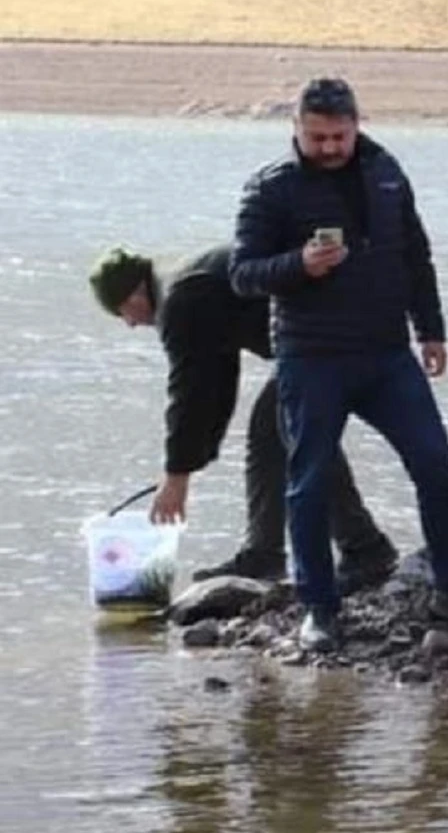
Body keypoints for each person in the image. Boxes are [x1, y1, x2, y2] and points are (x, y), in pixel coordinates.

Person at [229, 77, 448, 651]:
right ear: (296, 129)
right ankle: (319, 609)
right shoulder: (270, 188)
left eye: (339, 137)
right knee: (309, 482)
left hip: (386, 353)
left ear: (356, 126)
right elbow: (243, 275)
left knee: (436, 464)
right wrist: (300, 264)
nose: (329, 148)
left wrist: (431, 329)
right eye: (317, 137)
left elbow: (415, 254)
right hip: (311, 357)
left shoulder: (386, 171)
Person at [88, 245, 397, 590]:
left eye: (122, 312)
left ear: (133, 293)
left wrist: (177, 476)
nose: (130, 324)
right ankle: (268, 554)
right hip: (336, 325)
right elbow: (218, 382)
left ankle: (362, 547)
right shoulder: (184, 283)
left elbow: (190, 392)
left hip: (335, 329)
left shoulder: (179, 300)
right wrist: (198, 456)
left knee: (289, 423)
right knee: (273, 427)